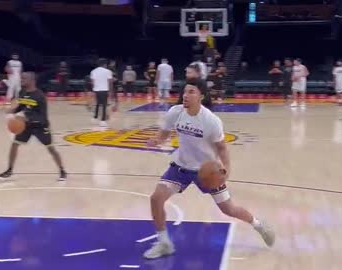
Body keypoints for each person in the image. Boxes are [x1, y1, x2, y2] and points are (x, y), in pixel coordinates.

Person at [143, 78, 275, 259]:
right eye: (185, 91)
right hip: (180, 167)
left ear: (201, 96)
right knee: (156, 199)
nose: (186, 95)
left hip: (207, 171)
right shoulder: (175, 112)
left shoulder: (211, 121)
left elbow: (222, 148)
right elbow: (164, 135)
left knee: (229, 209)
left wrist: (226, 169)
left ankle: (259, 225)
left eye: (191, 92)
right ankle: (164, 243)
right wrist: (156, 140)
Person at [0, 72, 67, 181]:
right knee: (14, 145)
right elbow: (22, 106)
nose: (21, 80)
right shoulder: (22, 92)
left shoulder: (40, 96)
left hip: (41, 126)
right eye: (21, 78)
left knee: (51, 148)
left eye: (24, 78)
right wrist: (13, 110)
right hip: (26, 126)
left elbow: (43, 117)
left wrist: (28, 119)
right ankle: (9, 170)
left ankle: (62, 171)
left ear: (32, 80)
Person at [90, 58, 114, 127]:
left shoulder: (93, 71)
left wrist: (94, 90)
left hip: (96, 90)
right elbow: (110, 82)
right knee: (104, 105)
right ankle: (102, 121)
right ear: (105, 64)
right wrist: (110, 91)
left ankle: (95, 118)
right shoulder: (108, 71)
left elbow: (92, 82)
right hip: (104, 90)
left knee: (97, 104)